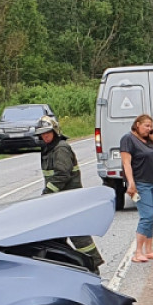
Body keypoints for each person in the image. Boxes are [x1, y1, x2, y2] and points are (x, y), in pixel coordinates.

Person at [35, 112, 102, 272]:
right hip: (59, 203)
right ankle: (65, 269)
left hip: (71, 202)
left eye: (47, 133)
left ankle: (93, 267)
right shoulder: (48, 150)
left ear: (55, 131)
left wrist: (47, 194)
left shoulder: (61, 149)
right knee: (56, 240)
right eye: (42, 134)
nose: (45, 137)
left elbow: (62, 175)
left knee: (80, 238)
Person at [119, 113, 153, 263]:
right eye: (146, 126)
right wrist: (131, 183)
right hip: (140, 183)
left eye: (151, 126)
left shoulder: (148, 140)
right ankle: (138, 252)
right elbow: (126, 163)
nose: (149, 129)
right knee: (146, 217)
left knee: (151, 215)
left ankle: (149, 250)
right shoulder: (128, 139)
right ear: (137, 125)